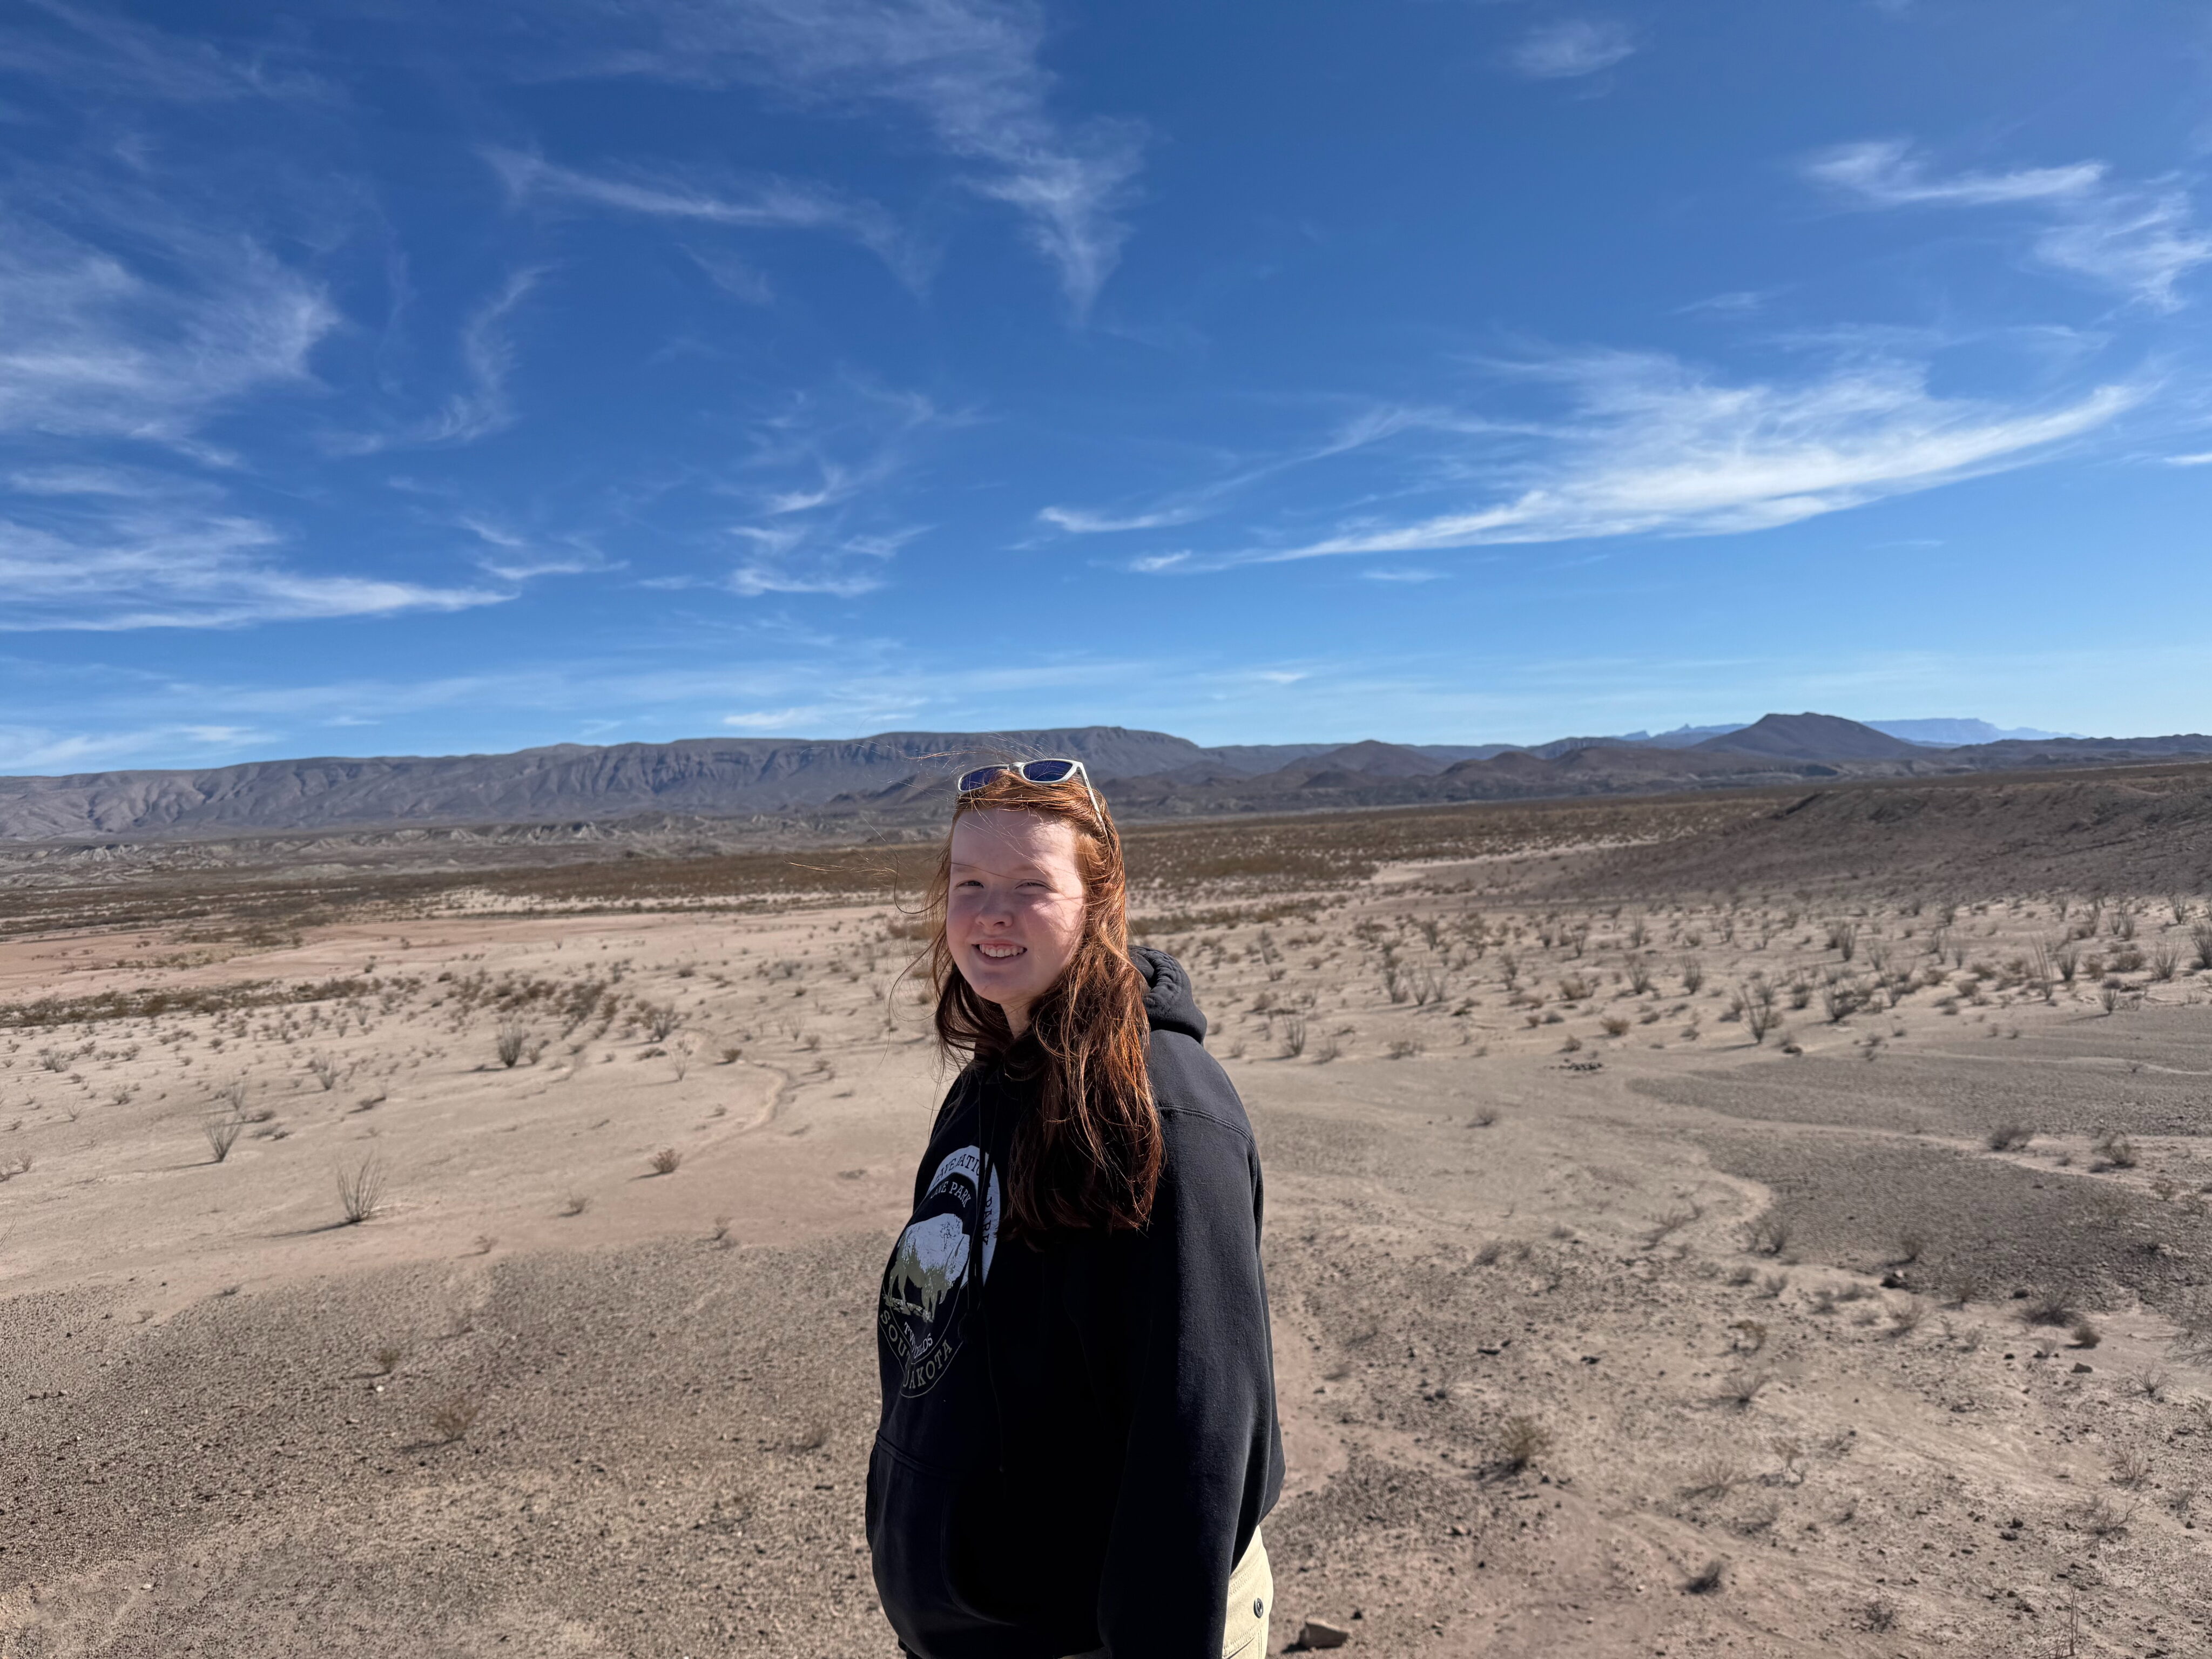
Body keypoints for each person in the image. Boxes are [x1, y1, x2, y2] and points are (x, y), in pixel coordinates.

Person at [868, 759, 1284, 1659]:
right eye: (970, 883)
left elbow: (1196, 1433)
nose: (990, 914)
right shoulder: (992, 1080)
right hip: (985, 1624)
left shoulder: (1164, 1115)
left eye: (1030, 886)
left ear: (1098, 902)